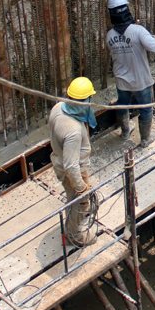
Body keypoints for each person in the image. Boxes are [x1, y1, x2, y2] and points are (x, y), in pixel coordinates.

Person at [105, 0, 155, 147]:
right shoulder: (138, 30)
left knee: (123, 105)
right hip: (140, 81)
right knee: (145, 109)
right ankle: (145, 139)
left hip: (122, 81)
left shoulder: (109, 35)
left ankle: (125, 132)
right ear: (126, 9)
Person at [50, 77, 100, 247]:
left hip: (61, 158)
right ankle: (73, 235)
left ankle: (78, 212)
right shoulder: (73, 132)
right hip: (71, 168)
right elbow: (71, 167)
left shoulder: (59, 108)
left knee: (75, 197)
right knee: (79, 200)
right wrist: (81, 188)